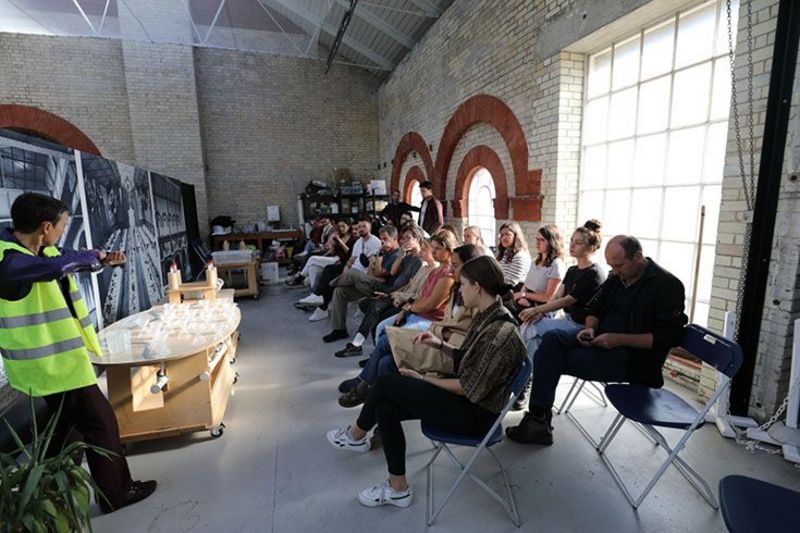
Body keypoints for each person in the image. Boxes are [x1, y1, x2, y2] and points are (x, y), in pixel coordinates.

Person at [326, 255, 526, 509]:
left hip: (476, 416)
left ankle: (356, 434)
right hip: (467, 403)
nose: (460, 289)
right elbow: (469, 359)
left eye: (463, 284)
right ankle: (397, 489)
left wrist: (423, 379)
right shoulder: (489, 315)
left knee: (387, 383)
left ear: (477, 287)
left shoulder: (498, 332)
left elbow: (469, 389)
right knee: (384, 408)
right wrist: (440, 345)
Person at [0, 192, 156, 513]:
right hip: (50, 365)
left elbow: (66, 256)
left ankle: (49, 495)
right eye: (61, 225)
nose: (62, 232)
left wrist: (98, 258)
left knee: (67, 430)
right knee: (101, 424)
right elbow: (47, 269)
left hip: (61, 362)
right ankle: (116, 493)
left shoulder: (43, 248)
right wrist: (81, 260)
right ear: (45, 227)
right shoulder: (9, 260)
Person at [505, 235, 688, 445]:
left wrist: (619, 339)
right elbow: (595, 308)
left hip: (633, 359)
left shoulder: (667, 286)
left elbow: (669, 338)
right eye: (612, 266)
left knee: (551, 358)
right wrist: (590, 329)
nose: (616, 271)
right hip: (600, 338)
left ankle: (537, 421)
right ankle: (538, 419)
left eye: (619, 266)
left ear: (638, 257)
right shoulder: (617, 278)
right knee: (552, 339)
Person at [337, 244, 482, 407]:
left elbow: (465, 335)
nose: (451, 270)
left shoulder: (473, 295)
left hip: (448, 350)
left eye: (455, 266)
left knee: (386, 340)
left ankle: (364, 387)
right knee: (386, 361)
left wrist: (439, 333)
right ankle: (383, 406)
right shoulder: (457, 288)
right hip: (437, 337)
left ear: (471, 267)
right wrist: (407, 308)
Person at [512, 220, 606, 409]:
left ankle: (523, 379)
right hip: (567, 321)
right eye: (571, 240)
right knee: (531, 330)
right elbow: (557, 297)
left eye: (578, 242)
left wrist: (537, 310)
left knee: (533, 330)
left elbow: (568, 300)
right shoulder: (573, 270)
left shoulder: (594, 273)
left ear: (592, 247)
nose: (572, 245)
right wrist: (539, 314)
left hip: (580, 327)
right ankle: (524, 376)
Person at [335, 224, 425, 358]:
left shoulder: (420, 261)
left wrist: (390, 295)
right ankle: (371, 350)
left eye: (408, 238)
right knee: (365, 304)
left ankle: (357, 345)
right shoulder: (406, 256)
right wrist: (401, 255)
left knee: (374, 307)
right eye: (403, 238)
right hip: (391, 290)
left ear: (417, 239)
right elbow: (394, 272)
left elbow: (409, 286)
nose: (404, 241)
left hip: (400, 295)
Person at [323, 226, 402, 343]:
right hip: (372, 283)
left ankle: (327, 287)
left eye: (385, 239)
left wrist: (377, 260)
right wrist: (374, 268)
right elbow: (372, 272)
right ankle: (339, 329)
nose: (382, 242)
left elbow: (380, 272)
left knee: (352, 273)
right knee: (339, 292)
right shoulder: (386, 252)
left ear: (395, 238)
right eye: (381, 239)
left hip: (383, 290)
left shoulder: (396, 255)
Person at [298, 219, 380, 319]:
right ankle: (321, 303)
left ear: (370, 228)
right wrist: (345, 270)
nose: (360, 229)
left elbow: (372, 264)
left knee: (332, 281)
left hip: (361, 274)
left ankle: (319, 297)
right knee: (329, 271)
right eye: (359, 227)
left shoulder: (375, 242)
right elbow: (351, 260)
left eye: (364, 227)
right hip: (351, 271)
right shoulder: (358, 242)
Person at [511, 224, 566, 315]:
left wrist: (523, 295)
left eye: (542, 240)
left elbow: (548, 297)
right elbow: (526, 285)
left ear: (552, 242)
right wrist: (522, 297)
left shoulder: (556, 265)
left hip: (541, 308)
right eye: (537, 239)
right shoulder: (535, 262)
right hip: (526, 300)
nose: (537, 243)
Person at [286, 218, 352, 289]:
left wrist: (340, 241)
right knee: (312, 267)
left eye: (343, 226)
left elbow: (349, 252)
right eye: (340, 226)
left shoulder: (350, 238)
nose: (341, 228)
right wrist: (324, 255)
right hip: (333, 257)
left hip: (340, 260)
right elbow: (332, 250)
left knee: (312, 258)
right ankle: (314, 291)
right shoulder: (339, 235)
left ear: (348, 226)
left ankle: (299, 278)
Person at [495, 221, 532, 287]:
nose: (503, 238)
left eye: (507, 234)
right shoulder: (505, 253)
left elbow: (511, 282)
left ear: (516, 236)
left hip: (512, 293)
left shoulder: (520, 256)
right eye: (502, 235)